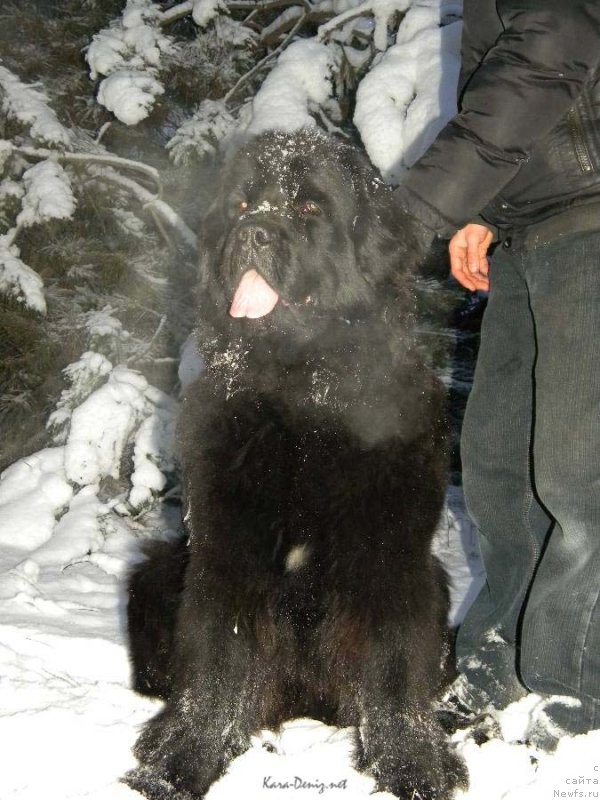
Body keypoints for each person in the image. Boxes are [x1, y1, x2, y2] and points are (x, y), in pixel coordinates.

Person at [394, 0, 600, 747]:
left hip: (593, 222)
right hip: (531, 234)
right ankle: (497, 667)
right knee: (499, 473)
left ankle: (575, 695)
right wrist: (484, 208)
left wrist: (411, 212)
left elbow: (556, 46)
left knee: (581, 478)